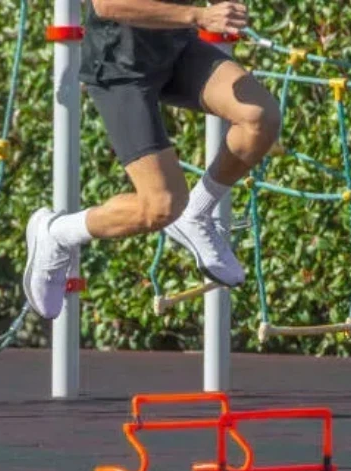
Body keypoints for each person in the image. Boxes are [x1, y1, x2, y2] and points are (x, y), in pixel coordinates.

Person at [24, 0, 281, 320]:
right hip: (120, 66)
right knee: (160, 206)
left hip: (177, 47)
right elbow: (107, 5)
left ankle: (197, 214)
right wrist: (200, 15)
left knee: (261, 118)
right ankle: (57, 233)